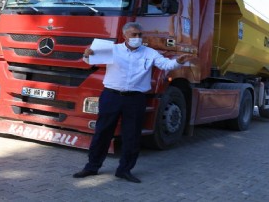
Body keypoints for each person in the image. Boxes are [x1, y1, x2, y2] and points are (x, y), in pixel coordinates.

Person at [72, 22, 191, 183]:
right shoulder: (112, 49)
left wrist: (178, 62)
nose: (137, 38)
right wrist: (87, 54)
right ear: (125, 35)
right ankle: (92, 167)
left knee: (132, 135)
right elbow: (90, 61)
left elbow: (165, 64)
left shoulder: (149, 52)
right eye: (134, 35)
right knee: (102, 132)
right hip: (111, 96)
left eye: (140, 35)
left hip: (135, 99)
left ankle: (124, 170)